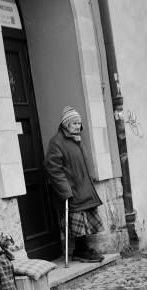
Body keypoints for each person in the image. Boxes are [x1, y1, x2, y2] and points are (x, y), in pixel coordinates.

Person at [44, 106, 105, 263]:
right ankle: (80, 251)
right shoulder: (57, 142)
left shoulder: (77, 139)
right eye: (74, 123)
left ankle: (82, 250)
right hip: (72, 189)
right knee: (78, 220)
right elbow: (53, 168)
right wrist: (65, 190)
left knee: (85, 221)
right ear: (65, 124)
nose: (78, 126)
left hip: (83, 187)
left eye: (79, 123)